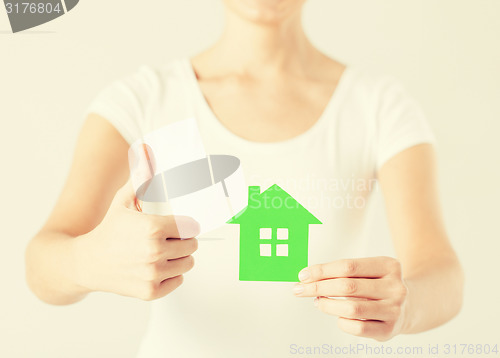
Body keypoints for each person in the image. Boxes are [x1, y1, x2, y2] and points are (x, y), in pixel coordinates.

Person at [25, 0, 464, 357]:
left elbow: (442, 273)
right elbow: (42, 265)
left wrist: (404, 306)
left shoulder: (379, 107)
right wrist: (90, 261)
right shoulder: (140, 101)